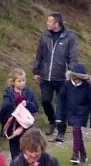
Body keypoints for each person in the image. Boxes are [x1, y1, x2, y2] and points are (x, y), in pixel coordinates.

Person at [33, 12, 80, 145]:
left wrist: (70, 71)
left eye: (49, 21)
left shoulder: (70, 37)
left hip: (62, 78)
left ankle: (61, 131)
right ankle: (52, 121)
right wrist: (36, 71)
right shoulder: (44, 36)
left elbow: (73, 56)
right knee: (46, 100)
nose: (47, 23)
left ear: (57, 24)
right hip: (46, 75)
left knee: (61, 105)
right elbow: (39, 54)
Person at [58, 63, 91, 165]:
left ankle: (75, 154)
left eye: (79, 78)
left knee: (76, 129)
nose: (76, 80)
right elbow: (61, 100)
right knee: (77, 131)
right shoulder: (66, 85)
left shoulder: (88, 87)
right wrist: (59, 116)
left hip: (82, 112)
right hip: (70, 112)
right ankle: (83, 154)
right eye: (75, 77)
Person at [0, 69, 40, 160]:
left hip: (27, 126)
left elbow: (36, 107)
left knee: (27, 147)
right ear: (13, 82)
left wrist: (27, 103)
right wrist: (15, 105)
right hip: (14, 126)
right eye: (19, 81)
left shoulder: (29, 92)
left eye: (23, 80)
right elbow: (5, 107)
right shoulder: (9, 94)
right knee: (15, 150)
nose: (22, 83)